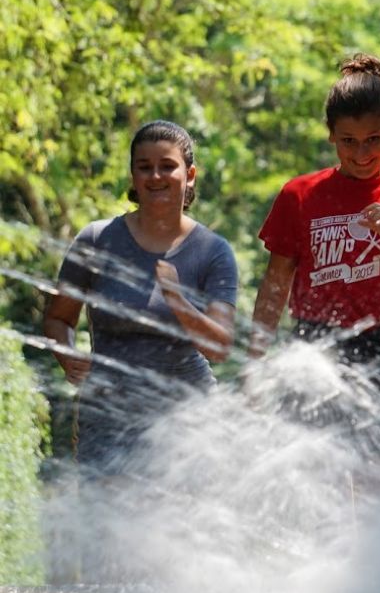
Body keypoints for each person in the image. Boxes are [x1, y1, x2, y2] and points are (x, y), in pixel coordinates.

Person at [248, 53, 380, 502]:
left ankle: (378, 571)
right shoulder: (299, 195)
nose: (362, 153)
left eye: (374, 140)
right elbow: (275, 284)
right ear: (331, 137)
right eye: (348, 141)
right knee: (317, 492)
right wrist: (256, 358)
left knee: (379, 489)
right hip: (314, 350)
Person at [43, 120, 238, 475]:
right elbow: (59, 317)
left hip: (188, 421)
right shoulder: (96, 241)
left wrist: (179, 303)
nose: (155, 177)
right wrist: (66, 354)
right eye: (144, 167)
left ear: (190, 174)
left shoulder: (212, 251)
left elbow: (220, 347)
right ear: (133, 176)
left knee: (182, 528)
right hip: (107, 418)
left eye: (168, 166)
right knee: (106, 526)